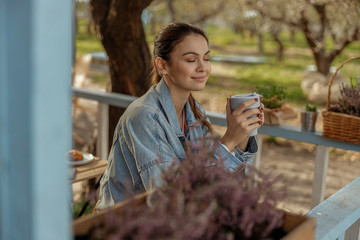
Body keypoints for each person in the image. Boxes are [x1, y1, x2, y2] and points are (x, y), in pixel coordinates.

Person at [97, 22, 264, 210]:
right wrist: (228, 141)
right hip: (125, 225)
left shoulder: (194, 111)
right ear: (162, 65)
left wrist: (241, 137)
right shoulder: (145, 116)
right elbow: (169, 198)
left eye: (206, 58)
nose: (203, 67)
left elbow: (215, 179)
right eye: (191, 60)